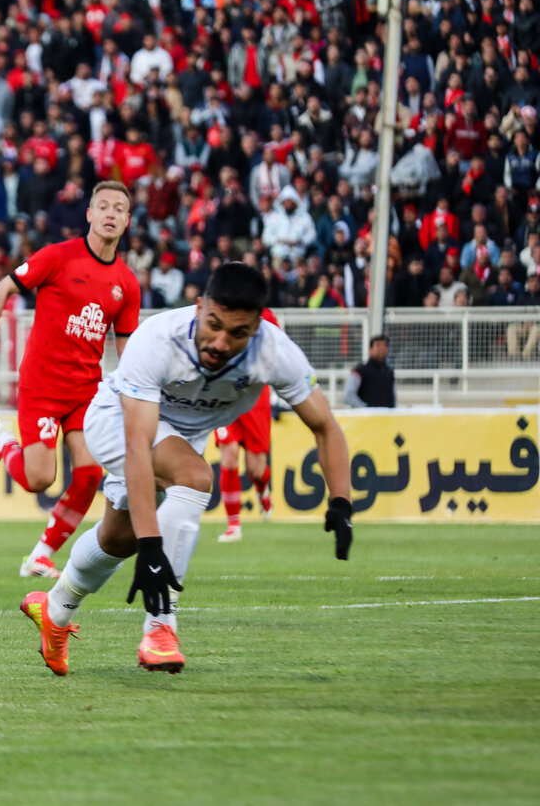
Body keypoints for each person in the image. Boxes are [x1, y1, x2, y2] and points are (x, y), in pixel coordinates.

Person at [21, 263, 353, 677]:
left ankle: (54, 608)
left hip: (180, 441)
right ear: (199, 307)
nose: (219, 341)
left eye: (237, 333)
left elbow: (325, 426)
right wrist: (154, 545)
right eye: (213, 324)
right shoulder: (158, 340)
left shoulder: (274, 351)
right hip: (116, 422)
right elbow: (138, 446)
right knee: (195, 478)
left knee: (118, 540)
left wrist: (341, 500)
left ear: (255, 329)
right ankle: (160, 627)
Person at [0, 181, 141, 579]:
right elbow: (1, 288)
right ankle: (4, 443)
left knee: (91, 473)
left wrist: (137, 395)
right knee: (40, 478)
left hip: (86, 390)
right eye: (103, 206)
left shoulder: (127, 283)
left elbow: (126, 351)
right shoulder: (59, 257)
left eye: (119, 209)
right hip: (42, 384)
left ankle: (40, 555)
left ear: (127, 221)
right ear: (89, 214)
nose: (111, 214)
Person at [215, 307, 281, 543]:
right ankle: (233, 524)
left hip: (255, 397)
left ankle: (262, 487)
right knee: (229, 455)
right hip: (224, 394)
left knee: (256, 469)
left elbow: (276, 353)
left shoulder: (266, 316)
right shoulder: (218, 311)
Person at [344, 335, 396, 408]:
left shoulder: (389, 371)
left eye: (385, 346)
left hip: (387, 417)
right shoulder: (360, 370)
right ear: (370, 349)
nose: (382, 348)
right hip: (367, 418)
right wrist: (366, 409)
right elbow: (348, 395)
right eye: (378, 345)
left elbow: (393, 396)